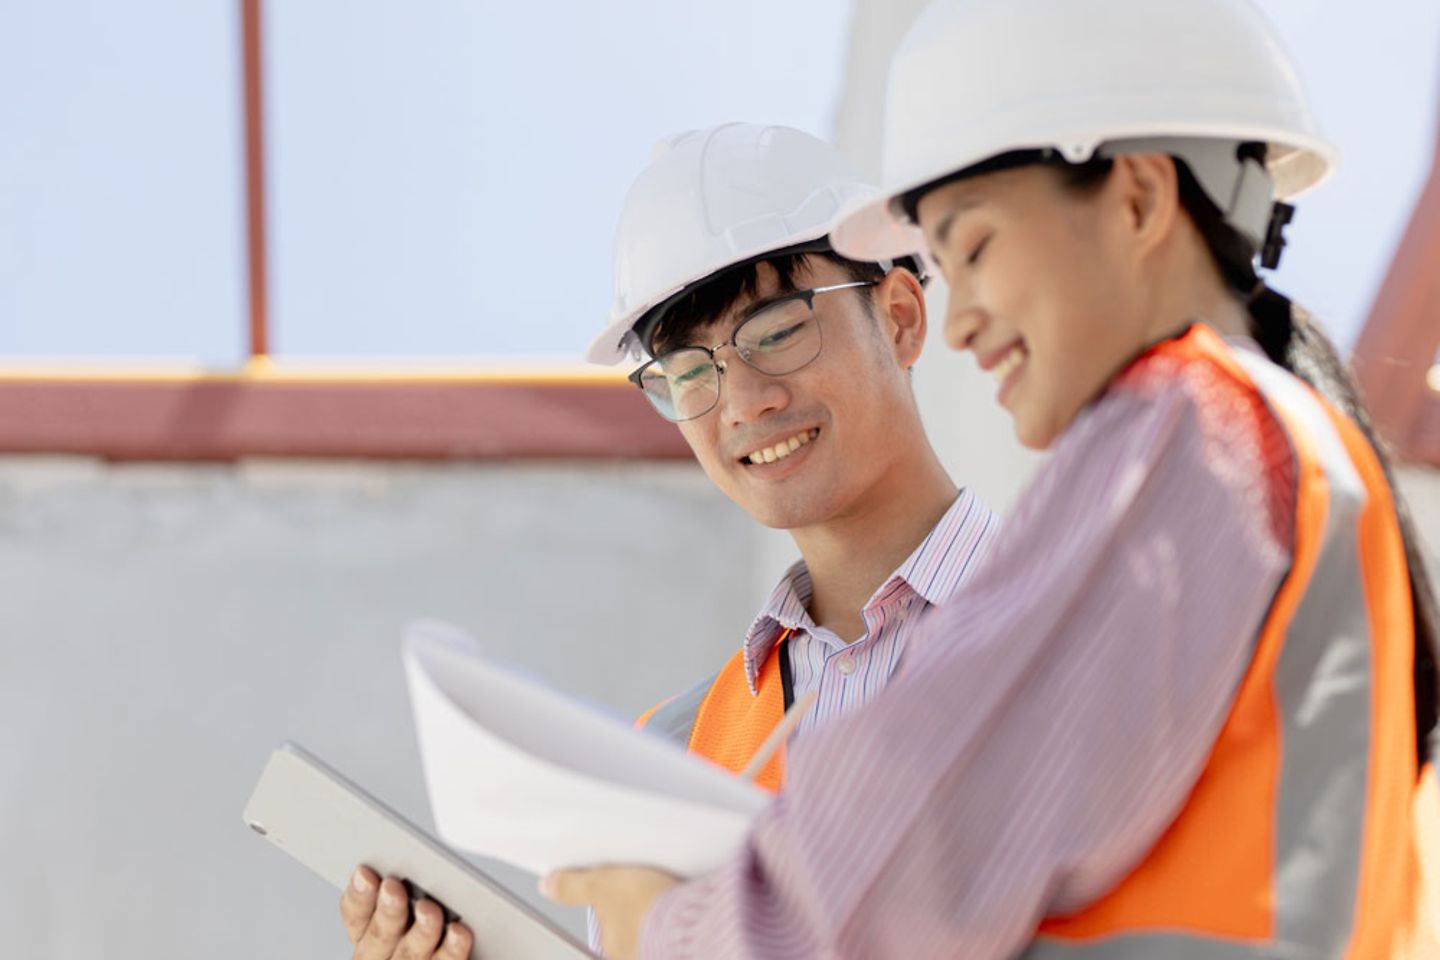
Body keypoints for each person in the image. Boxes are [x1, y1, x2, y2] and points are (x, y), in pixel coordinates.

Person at [541, 1, 1440, 957]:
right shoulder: (1282, 443)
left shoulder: (1188, 428)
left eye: (969, 248)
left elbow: (906, 875)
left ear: (1135, 200)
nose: (960, 320)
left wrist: (670, 927)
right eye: (685, 373)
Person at [337, 123, 999, 959]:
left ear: (900, 317)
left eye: (777, 328)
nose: (744, 400)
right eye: (689, 369)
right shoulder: (668, 753)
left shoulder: (1088, 618)